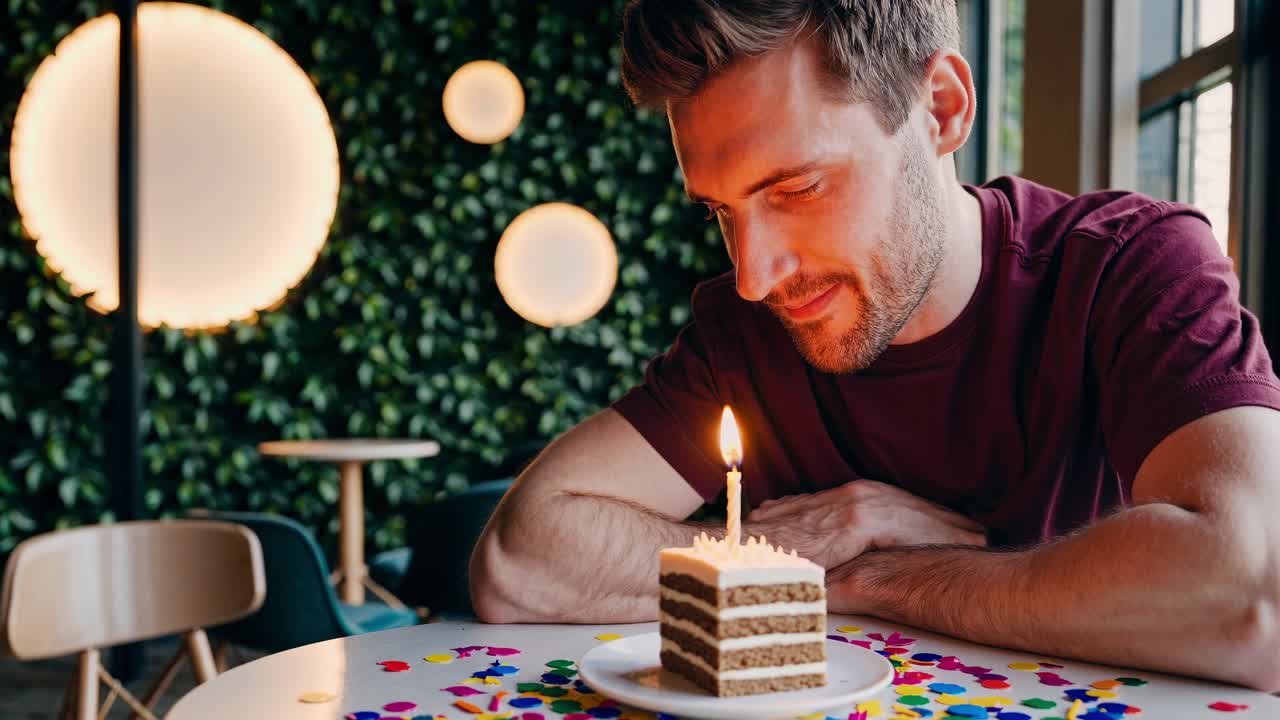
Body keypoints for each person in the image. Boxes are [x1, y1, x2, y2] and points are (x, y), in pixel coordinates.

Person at [470, 0, 1280, 690]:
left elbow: (1255, 594)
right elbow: (519, 561)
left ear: (941, 108)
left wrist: (884, 580)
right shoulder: (748, 335)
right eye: (719, 211)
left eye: (795, 187)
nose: (753, 274)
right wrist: (803, 542)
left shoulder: (1127, 268)